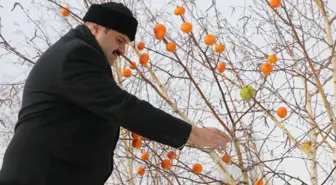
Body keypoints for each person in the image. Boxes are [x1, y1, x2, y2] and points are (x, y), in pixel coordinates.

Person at [0, 2, 231, 185]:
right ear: (95, 28)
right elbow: (123, 107)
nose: (122, 51)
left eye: (127, 44)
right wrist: (194, 134)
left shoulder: (74, 53)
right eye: (120, 40)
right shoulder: (75, 55)